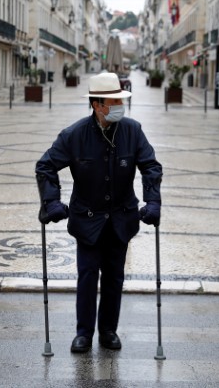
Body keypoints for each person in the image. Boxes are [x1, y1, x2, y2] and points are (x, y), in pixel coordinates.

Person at [35, 70, 162, 354]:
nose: (120, 106)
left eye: (120, 100)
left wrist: (153, 202)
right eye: (113, 101)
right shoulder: (74, 134)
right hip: (87, 220)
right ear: (97, 105)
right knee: (88, 275)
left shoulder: (132, 130)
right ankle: (83, 333)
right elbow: (45, 166)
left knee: (115, 276)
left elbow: (151, 166)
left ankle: (108, 330)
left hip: (121, 217)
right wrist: (51, 202)